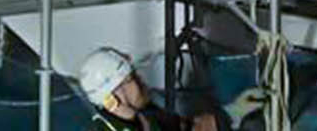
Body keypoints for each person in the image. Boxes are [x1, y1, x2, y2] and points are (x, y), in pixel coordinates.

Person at [77, 47, 264, 131]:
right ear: (113, 97)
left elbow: (189, 127)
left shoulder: (145, 114)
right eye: (131, 78)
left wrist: (234, 112)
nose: (140, 81)